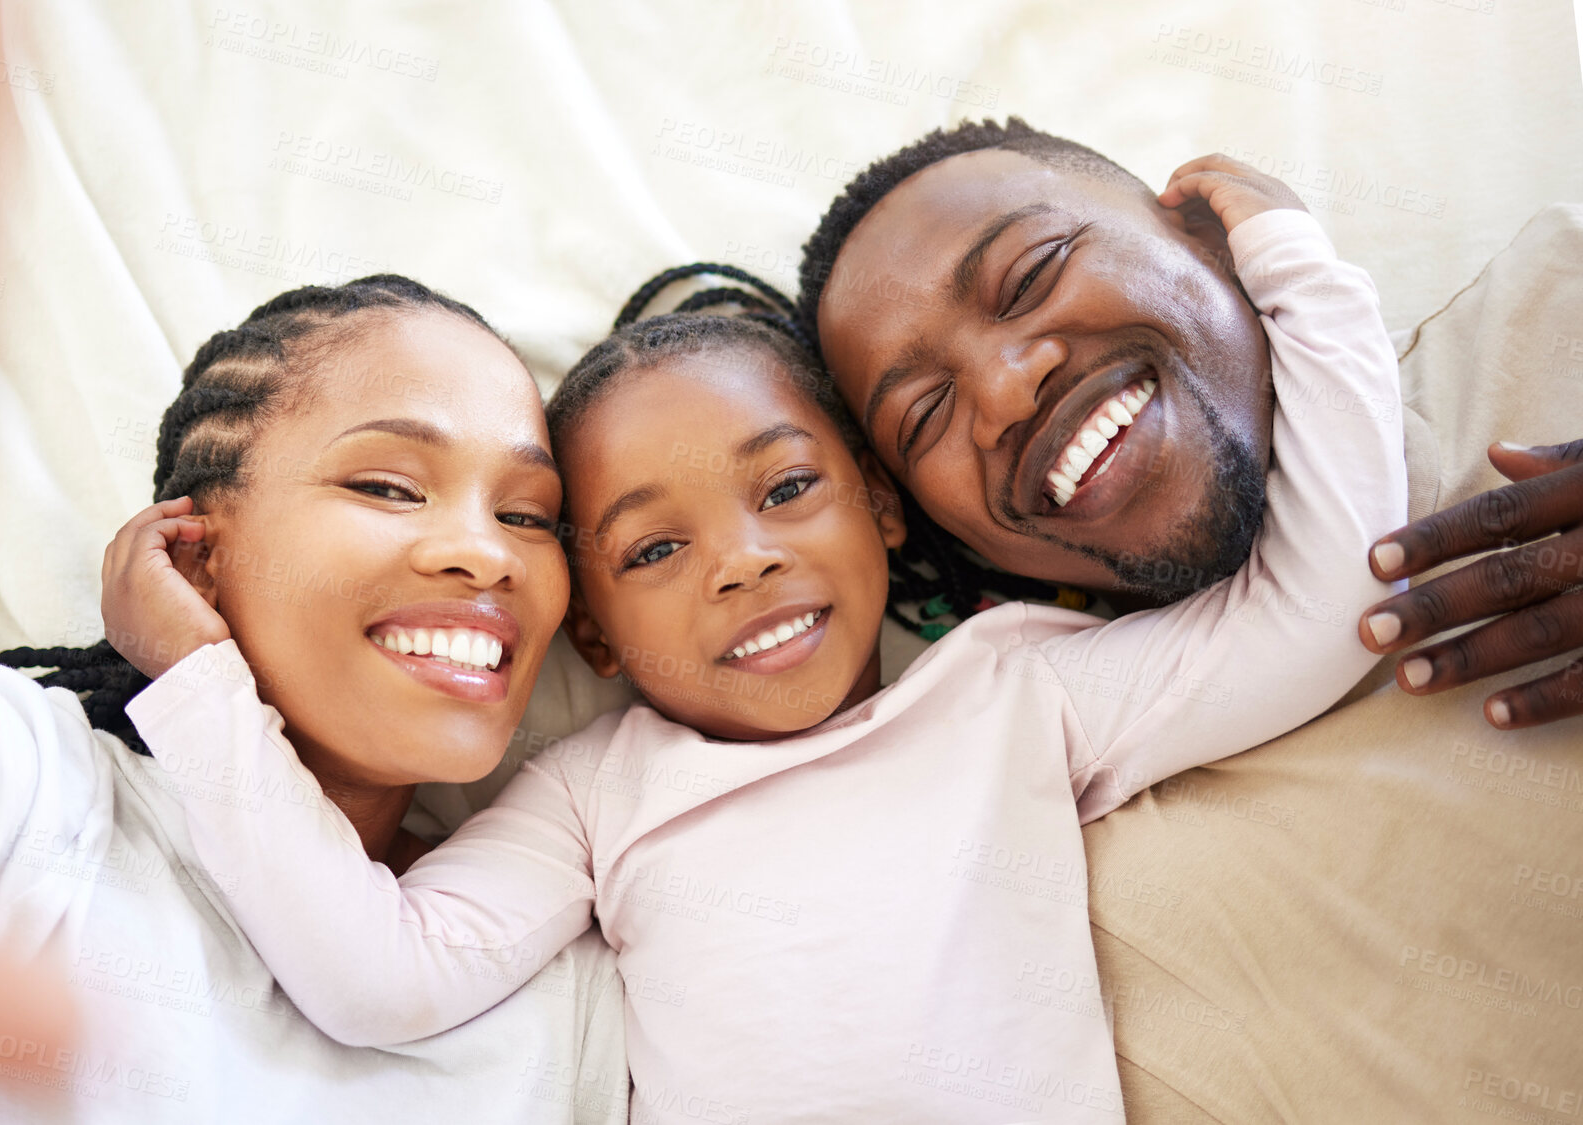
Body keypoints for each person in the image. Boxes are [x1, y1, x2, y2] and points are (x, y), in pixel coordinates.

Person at [106, 159, 1405, 1121]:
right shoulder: (590, 796)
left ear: (883, 512)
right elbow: (376, 978)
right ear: (597, 638)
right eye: (654, 552)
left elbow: (1321, 608)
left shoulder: (1008, 694)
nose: (744, 560)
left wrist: (1293, 267)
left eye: (788, 490)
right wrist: (204, 683)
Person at [799, 116, 1583, 1120]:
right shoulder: (1024, 826)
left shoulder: (1553, 302)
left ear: (1208, 235)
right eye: (924, 416)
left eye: (1031, 274)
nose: (1003, 388)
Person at [0, 276, 629, 1124]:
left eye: (530, 517)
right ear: (196, 559)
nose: (487, 553)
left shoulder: (566, 964)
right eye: (387, 487)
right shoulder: (21, 766)